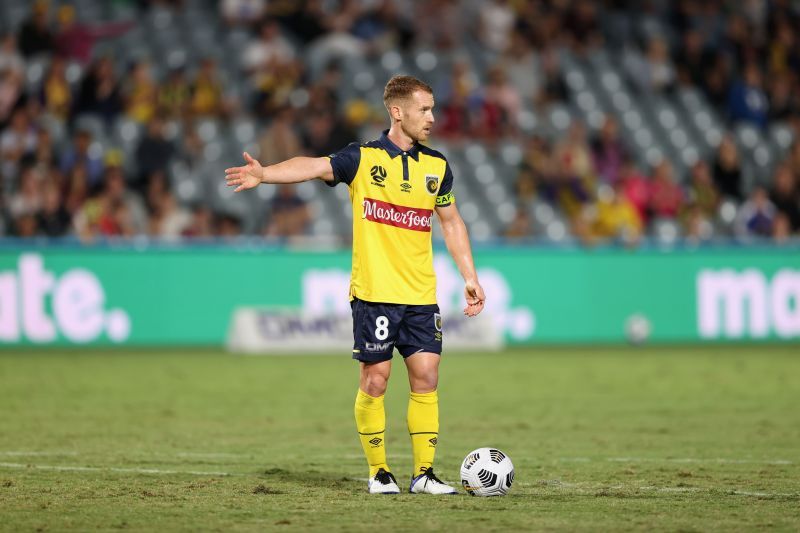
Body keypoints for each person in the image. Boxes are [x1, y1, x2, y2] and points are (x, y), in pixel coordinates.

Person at [224, 75, 486, 495]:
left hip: (420, 294)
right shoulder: (362, 158)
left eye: (433, 109)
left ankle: (424, 474)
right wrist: (265, 175)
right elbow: (312, 165)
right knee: (376, 380)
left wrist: (469, 277)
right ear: (397, 112)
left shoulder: (437, 166)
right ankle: (379, 472)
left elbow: (451, 222)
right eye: (424, 109)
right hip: (375, 293)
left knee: (427, 375)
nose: (432, 118)